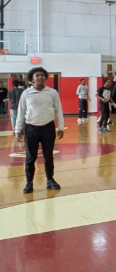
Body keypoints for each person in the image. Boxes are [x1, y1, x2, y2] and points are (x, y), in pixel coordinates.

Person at [16, 66, 64, 194]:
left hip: (48, 127)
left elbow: (59, 110)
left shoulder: (52, 92)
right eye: (37, 75)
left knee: (48, 156)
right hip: (31, 128)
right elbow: (20, 112)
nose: (40, 77)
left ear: (46, 77)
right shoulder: (26, 93)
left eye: (42, 75)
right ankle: (29, 183)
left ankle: (50, 180)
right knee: (30, 157)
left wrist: (60, 126)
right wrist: (17, 130)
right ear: (32, 78)